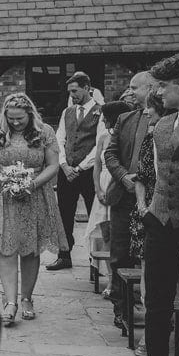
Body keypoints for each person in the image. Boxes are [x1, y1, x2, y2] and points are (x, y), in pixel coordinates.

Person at [0, 93, 67, 326]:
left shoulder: (45, 132)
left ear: (30, 114)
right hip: (3, 195)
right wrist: (2, 180)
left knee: (30, 249)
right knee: (6, 247)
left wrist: (32, 184)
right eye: (11, 119)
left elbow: (52, 166)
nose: (16, 123)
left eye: (20, 118)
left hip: (35, 194)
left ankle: (27, 298)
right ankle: (10, 302)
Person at [136, 54, 179, 356]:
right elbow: (157, 175)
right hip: (160, 223)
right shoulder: (163, 126)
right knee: (156, 303)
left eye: (164, 85)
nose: (158, 91)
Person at [104, 72, 155, 331]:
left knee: (151, 258)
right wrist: (124, 177)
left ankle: (156, 311)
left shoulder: (166, 119)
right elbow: (110, 154)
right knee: (120, 255)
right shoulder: (125, 118)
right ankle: (121, 308)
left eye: (135, 88)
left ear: (151, 87)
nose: (131, 92)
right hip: (124, 197)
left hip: (154, 199)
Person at [130, 90, 172, 356]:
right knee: (150, 277)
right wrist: (143, 207)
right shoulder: (149, 138)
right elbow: (141, 176)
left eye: (150, 109)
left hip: (175, 214)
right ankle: (150, 336)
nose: (146, 112)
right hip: (150, 214)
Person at [47, 72, 102, 271]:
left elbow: (99, 145)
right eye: (70, 91)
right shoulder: (67, 112)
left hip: (88, 173)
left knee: (93, 215)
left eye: (75, 90)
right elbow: (59, 138)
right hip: (66, 171)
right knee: (64, 214)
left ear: (88, 88)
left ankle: (94, 260)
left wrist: (79, 167)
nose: (72, 95)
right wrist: (64, 165)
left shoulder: (100, 112)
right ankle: (64, 255)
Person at [85, 101, 131, 298]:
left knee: (119, 237)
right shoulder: (104, 137)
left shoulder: (126, 136)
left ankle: (118, 281)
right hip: (103, 187)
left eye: (105, 116)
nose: (103, 119)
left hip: (119, 186)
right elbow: (97, 165)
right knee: (105, 235)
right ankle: (110, 278)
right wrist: (97, 189)